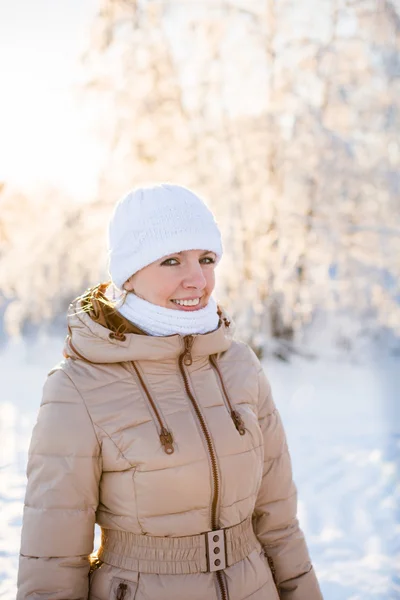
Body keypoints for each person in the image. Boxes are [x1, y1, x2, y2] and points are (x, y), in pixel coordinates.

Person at [17, 184, 322, 600]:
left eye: (207, 259)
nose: (197, 279)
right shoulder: (77, 385)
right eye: (172, 260)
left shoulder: (239, 365)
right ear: (129, 274)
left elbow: (279, 522)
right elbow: (52, 559)